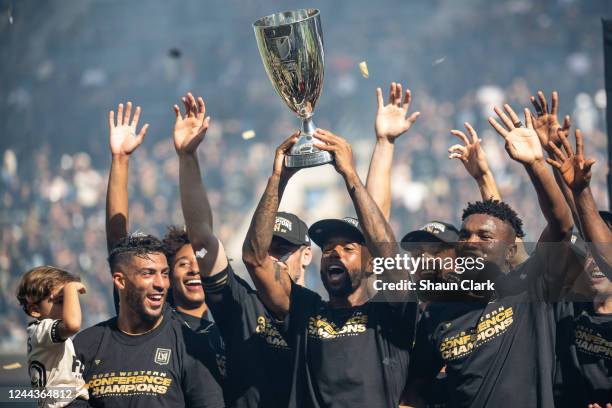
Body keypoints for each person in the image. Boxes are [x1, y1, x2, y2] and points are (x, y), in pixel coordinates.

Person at [405, 103, 576, 407]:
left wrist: (536, 164)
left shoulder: (529, 288)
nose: (471, 241)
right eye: (464, 236)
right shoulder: (438, 314)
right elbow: (416, 389)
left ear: (511, 250)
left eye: (484, 237)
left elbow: (560, 226)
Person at [241, 122, 417, 407]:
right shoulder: (304, 310)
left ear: (371, 264)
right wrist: (279, 178)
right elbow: (255, 258)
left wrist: (350, 176)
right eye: (328, 249)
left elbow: (389, 255)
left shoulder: (389, 315)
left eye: (348, 248)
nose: (334, 252)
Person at [175, 92, 310, 407]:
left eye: (283, 250)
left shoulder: (322, 311)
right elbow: (203, 241)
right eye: (267, 249)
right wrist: (188, 158)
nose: (271, 257)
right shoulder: (241, 305)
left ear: (306, 255)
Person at [73, 234, 225, 408]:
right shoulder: (85, 345)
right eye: (148, 273)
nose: (161, 284)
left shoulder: (191, 345)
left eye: (164, 273)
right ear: (120, 281)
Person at [546, 127, 612, 407]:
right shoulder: (567, 311)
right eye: (585, 254)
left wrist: (581, 191)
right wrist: (546, 154)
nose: (592, 260)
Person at [16, 266, 89, 407]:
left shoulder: (41, 333)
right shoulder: (42, 330)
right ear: (35, 310)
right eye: (60, 301)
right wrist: (70, 287)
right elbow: (73, 325)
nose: (69, 305)